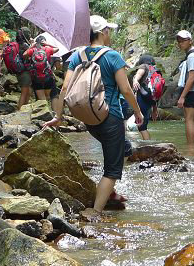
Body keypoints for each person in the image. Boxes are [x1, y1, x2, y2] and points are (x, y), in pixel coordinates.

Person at [45, 15, 143, 212]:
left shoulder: (76, 56)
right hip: (111, 117)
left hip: (90, 119)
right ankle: (95, 213)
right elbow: (125, 90)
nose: (110, 34)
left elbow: (64, 90)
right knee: (112, 170)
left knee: (122, 149)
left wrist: (58, 116)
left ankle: (110, 193)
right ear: (102, 32)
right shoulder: (112, 56)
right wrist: (138, 112)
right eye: (109, 30)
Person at [129, 55, 160, 140]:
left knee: (141, 126)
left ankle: (145, 145)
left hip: (141, 100)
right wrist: (155, 109)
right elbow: (155, 92)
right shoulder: (155, 70)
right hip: (150, 101)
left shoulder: (144, 66)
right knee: (143, 126)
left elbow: (139, 73)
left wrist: (135, 80)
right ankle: (148, 144)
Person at [25, 35, 58, 101]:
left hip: (36, 77)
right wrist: (48, 44)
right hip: (47, 76)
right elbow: (57, 48)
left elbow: (24, 54)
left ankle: (44, 109)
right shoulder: (48, 49)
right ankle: (48, 108)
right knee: (47, 96)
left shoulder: (32, 50)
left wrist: (32, 46)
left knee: (41, 99)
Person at [13, 29, 33, 109]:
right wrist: (31, 44)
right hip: (25, 71)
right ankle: (20, 109)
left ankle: (24, 108)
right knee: (24, 92)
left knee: (27, 91)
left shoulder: (16, 44)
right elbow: (31, 55)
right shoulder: (25, 45)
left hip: (19, 71)